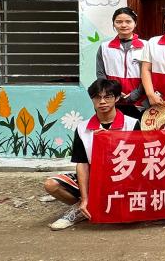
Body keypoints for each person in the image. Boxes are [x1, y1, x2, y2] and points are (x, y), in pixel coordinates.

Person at [43, 79, 138, 230]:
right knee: (51, 185)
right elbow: (82, 163)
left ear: (117, 98)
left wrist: (110, 140)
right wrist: (85, 198)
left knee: (126, 218)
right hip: (94, 177)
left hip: (122, 178)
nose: (102, 101)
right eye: (97, 97)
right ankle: (83, 206)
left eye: (108, 97)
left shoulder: (132, 124)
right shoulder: (82, 128)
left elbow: (138, 161)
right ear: (92, 99)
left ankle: (92, 206)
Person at [96, 7, 147, 120]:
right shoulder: (104, 47)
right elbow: (100, 74)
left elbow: (150, 74)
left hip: (140, 102)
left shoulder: (146, 46)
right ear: (113, 24)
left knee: (137, 130)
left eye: (128, 21)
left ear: (135, 23)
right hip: (113, 101)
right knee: (114, 130)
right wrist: (113, 93)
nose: (123, 25)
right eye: (118, 22)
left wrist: (136, 94)